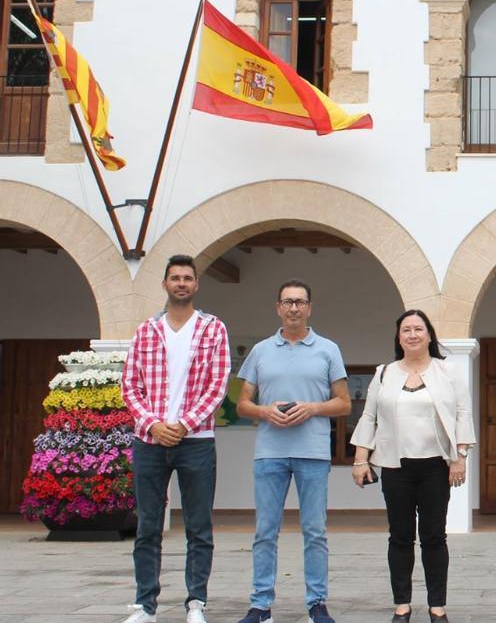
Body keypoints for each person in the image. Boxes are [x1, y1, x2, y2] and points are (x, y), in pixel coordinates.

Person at [120, 254, 230, 623]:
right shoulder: (145, 331)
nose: (181, 283)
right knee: (148, 525)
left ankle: (196, 602)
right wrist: (153, 424)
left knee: (199, 526)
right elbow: (130, 386)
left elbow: (218, 385)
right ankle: (145, 605)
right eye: (175, 277)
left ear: (197, 285)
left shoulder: (214, 328)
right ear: (165, 284)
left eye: (187, 278)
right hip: (149, 442)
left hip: (197, 441)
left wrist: (184, 423)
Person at [235, 279, 351, 623]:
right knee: (264, 531)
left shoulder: (328, 349)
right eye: (287, 302)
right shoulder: (260, 351)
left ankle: (317, 603)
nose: (294, 308)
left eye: (300, 302)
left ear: (310, 308)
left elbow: (344, 403)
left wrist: (312, 408)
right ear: (278, 308)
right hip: (269, 452)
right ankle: (260, 605)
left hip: (313, 453)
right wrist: (263, 411)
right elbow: (242, 404)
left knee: (315, 531)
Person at [350, 309, 476, 623]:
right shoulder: (384, 373)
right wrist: (359, 459)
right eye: (406, 329)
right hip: (395, 467)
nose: (412, 334)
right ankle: (402, 606)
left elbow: (463, 413)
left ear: (429, 335)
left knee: (434, 537)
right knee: (400, 537)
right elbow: (369, 418)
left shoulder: (447, 371)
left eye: (418, 329)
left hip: (436, 466)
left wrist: (460, 457)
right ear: (399, 337)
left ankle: (437, 607)